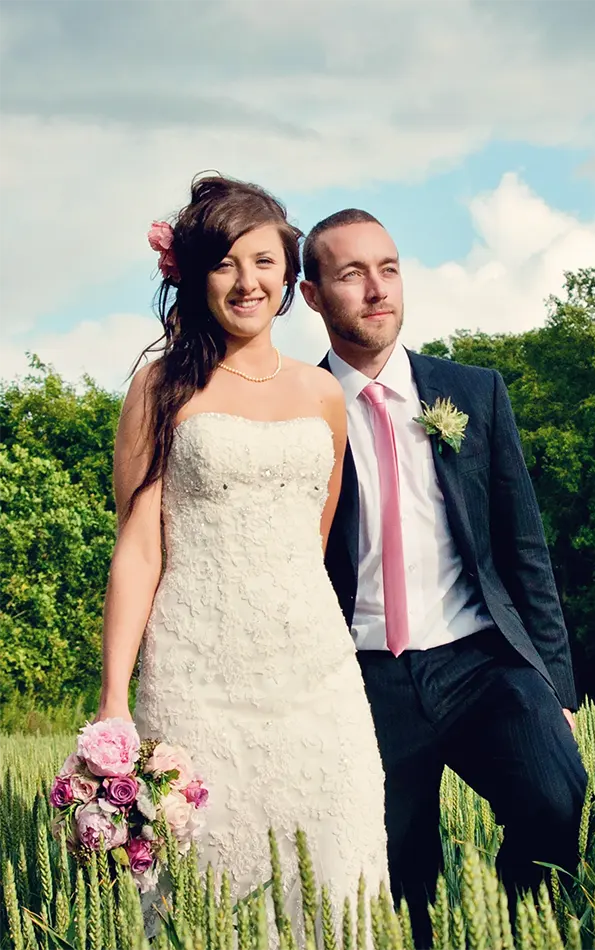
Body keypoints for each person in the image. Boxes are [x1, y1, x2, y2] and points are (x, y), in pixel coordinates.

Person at [95, 177, 388, 938]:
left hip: (314, 684)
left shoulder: (322, 396)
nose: (246, 280)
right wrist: (115, 703)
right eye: (225, 263)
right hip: (196, 681)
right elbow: (137, 551)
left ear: (290, 278)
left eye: (263, 261)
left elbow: (314, 538)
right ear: (194, 276)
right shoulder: (160, 390)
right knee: (206, 893)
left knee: (338, 876)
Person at [300, 209, 589, 950]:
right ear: (310, 295)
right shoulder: (298, 408)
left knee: (554, 797)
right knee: (398, 885)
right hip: (362, 678)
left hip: (480, 660)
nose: (376, 290)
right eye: (351, 274)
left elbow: (524, 550)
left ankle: (518, 932)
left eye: (388, 269)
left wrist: (555, 687)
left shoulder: (473, 392)